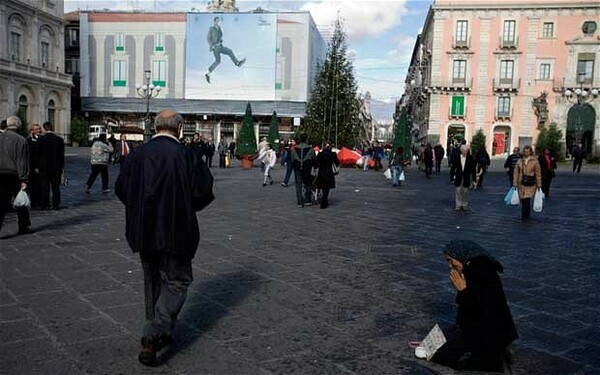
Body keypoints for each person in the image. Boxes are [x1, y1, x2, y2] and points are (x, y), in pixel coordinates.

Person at [115, 109, 214, 367]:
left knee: (153, 280)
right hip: (176, 228)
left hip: (143, 228)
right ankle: (155, 331)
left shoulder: (137, 156)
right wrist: (186, 206)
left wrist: (139, 208)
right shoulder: (186, 156)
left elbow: (121, 189)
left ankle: (157, 332)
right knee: (178, 280)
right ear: (179, 129)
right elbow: (203, 191)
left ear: (156, 126)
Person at [431, 240, 518, 372]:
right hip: (488, 329)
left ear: (459, 255)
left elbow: (476, 309)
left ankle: (492, 357)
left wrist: (462, 291)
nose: (450, 266)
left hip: (487, 332)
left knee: (440, 355)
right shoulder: (475, 267)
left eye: (450, 260)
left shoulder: (478, 271)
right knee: (441, 339)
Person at [0, 116, 33, 234]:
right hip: (13, 174)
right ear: (18, 126)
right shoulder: (20, 140)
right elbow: (22, 161)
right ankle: (24, 226)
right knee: (20, 201)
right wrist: (24, 178)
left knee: (1, 202)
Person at [205, 16, 246, 84]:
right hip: (215, 48)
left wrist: (221, 40)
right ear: (214, 21)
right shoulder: (211, 28)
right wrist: (212, 46)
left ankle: (237, 63)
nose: (218, 22)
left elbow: (220, 36)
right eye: (216, 21)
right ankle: (208, 73)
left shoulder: (219, 28)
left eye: (219, 21)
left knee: (229, 51)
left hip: (220, 46)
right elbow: (208, 39)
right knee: (218, 61)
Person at [37, 122, 65, 210]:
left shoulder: (41, 139)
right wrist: (62, 167)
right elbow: (61, 155)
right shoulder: (59, 140)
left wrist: (38, 166)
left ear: (44, 129)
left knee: (45, 186)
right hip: (56, 167)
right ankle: (56, 204)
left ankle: (45, 204)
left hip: (44, 167)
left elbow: (38, 154)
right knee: (55, 186)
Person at [513, 145, 542, 221]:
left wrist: (539, 184)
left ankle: (525, 216)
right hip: (521, 183)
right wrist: (515, 183)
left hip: (530, 184)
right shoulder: (520, 161)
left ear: (530, 152)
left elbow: (538, 173)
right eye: (525, 151)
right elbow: (516, 172)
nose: (526, 153)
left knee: (527, 200)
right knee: (523, 200)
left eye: (528, 151)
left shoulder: (534, 161)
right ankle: (525, 214)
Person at [450, 144, 476, 211]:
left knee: (465, 191)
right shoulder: (456, 157)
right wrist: (451, 178)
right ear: (461, 151)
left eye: (466, 151)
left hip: (466, 177)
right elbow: (453, 168)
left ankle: (464, 205)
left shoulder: (470, 158)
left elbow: (473, 170)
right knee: (458, 191)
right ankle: (458, 205)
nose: (465, 152)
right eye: (464, 151)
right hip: (458, 176)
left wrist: (474, 179)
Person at [292, 133, 316, 207]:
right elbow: (314, 159)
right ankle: (307, 200)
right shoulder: (311, 149)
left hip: (297, 168)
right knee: (308, 184)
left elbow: (292, 159)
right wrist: (314, 167)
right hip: (307, 169)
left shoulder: (294, 149)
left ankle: (299, 201)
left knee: (298, 185)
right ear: (306, 139)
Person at [315, 141, 340, 209]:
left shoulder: (320, 154)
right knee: (327, 188)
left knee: (323, 187)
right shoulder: (333, 154)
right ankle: (324, 201)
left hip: (321, 173)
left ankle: (324, 200)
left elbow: (316, 163)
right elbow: (337, 162)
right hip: (329, 173)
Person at [26, 124, 42, 209]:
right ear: (32, 131)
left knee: (40, 185)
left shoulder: (42, 139)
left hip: (41, 166)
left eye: (39, 129)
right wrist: (35, 166)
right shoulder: (29, 140)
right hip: (33, 166)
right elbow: (31, 155)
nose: (39, 131)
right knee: (33, 185)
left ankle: (40, 201)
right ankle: (34, 202)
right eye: (37, 129)